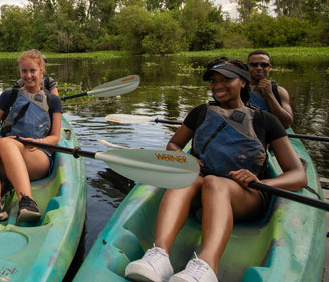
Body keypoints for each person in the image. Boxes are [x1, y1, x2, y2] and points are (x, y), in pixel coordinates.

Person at [124, 58, 306, 282]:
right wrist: (184, 158)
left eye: (226, 79)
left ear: (243, 82)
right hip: (202, 189)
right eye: (213, 81)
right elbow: (173, 145)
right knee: (187, 179)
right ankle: (158, 255)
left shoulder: (265, 120)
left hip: (245, 195)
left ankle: (207, 266)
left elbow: (298, 175)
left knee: (214, 183)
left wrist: (262, 183)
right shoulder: (201, 113)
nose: (217, 85)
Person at [0, 49, 63, 225]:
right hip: (9, 152)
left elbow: (55, 137)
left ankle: (27, 202)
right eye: (24, 71)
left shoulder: (53, 101)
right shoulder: (9, 95)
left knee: (7, 144)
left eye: (33, 71)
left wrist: (38, 142)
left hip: (36, 156)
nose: (28, 75)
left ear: (41, 71)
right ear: (20, 72)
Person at [246, 50, 293, 128]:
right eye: (254, 65)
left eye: (264, 65)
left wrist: (269, 95)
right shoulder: (238, 88)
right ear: (247, 66)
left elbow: (287, 123)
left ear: (269, 67)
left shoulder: (279, 91)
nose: (259, 68)